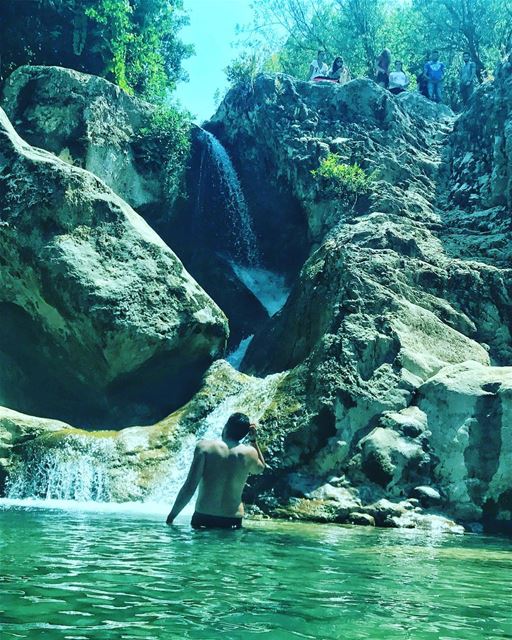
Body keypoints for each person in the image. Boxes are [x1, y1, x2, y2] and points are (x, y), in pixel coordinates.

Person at [166, 413, 266, 529]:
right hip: (232, 519)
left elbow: (189, 487)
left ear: (226, 426)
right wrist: (253, 441)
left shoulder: (204, 448)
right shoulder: (249, 453)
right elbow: (260, 468)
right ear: (245, 433)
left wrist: (172, 516)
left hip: (204, 516)